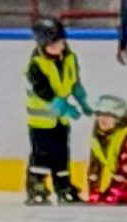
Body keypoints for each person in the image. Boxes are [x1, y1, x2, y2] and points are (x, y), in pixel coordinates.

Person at [23, 17, 87, 206]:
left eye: (60, 42)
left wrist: (81, 98)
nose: (59, 47)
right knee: (41, 155)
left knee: (61, 154)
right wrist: (63, 106)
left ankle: (63, 187)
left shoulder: (69, 57)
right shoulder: (36, 64)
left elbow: (73, 80)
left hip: (61, 120)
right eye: (53, 44)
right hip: (41, 121)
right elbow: (45, 92)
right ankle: (36, 187)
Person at [82, 96, 127, 207]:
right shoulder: (98, 139)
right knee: (104, 201)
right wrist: (93, 193)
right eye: (100, 114)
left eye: (109, 115)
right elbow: (95, 168)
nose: (103, 119)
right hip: (122, 182)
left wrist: (110, 196)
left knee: (120, 202)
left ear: (118, 119)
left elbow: (123, 171)